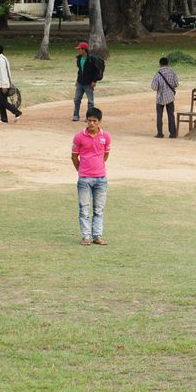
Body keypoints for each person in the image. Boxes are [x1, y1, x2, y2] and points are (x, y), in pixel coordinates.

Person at [71, 107, 111, 245]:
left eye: (94, 121)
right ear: (86, 121)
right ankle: (86, 236)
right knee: (84, 208)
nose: (91, 124)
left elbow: (105, 155)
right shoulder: (79, 137)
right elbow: (74, 157)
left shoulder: (105, 137)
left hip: (101, 178)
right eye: (89, 121)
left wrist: (97, 166)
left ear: (99, 122)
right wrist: (82, 170)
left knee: (99, 209)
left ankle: (97, 236)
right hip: (84, 178)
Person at [72, 41, 103, 121]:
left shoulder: (91, 59)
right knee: (77, 99)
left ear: (84, 50)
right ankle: (76, 115)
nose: (78, 50)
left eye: (79, 49)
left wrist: (94, 81)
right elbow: (80, 70)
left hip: (88, 83)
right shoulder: (79, 58)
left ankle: (90, 117)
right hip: (80, 82)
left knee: (90, 101)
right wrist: (77, 80)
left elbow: (96, 70)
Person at [150, 56, 179, 138]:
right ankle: (173, 134)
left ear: (160, 64)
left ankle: (160, 133)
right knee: (171, 115)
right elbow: (176, 84)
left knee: (159, 115)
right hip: (170, 97)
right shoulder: (172, 72)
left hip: (160, 97)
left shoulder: (157, 74)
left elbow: (154, 87)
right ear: (168, 63)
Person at [0, 43, 22, 124]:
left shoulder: (1, 60)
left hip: (4, 85)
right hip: (2, 84)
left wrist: (4, 85)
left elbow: (4, 73)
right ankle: (4, 119)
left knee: (1, 101)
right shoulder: (1, 59)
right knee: (0, 101)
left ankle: (17, 112)